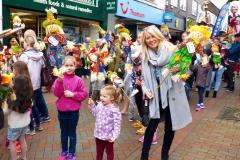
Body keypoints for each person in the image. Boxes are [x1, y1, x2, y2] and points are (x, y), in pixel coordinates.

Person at [140, 25, 192, 160]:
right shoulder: (145, 56)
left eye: (152, 36)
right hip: (156, 96)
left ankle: (165, 154)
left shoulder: (171, 49)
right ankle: (143, 156)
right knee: (151, 127)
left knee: (170, 126)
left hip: (171, 94)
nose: (151, 40)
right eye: (147, 38)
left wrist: (178, 70)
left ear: (158, 35)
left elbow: (186, 70)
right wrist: (146, 90)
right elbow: (144, 80)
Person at [52, 56, 88, 160]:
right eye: (66, 65)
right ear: (63, 66)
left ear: (75, 66)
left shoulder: (78, 80)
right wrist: (59, 81)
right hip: (62, 111)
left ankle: (71, 152)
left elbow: (84, 94)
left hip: (73, 112)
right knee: (63, 133)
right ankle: (64, 151)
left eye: (71, 65)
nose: (69, 68)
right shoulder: (60, 79)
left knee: (72, 133)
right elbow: (56, 93)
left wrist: (73, 94)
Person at [18, 33, 49, 133]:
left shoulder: (24, 56)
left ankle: (31, 127)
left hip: (27, 84)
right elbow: (43, 67)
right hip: (37, 83)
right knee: (33, 104)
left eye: (23, 43)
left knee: (29, 105)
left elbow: (18, 69)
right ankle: (38, 125)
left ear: (27, 44)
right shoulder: (40, 55)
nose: (23, 44)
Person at [88, 85, 121, 160]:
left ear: (112, 98)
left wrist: (114, 136)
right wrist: (92, 105)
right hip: (98, 134)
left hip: (108, 136)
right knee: (99, 153)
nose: (101, 98)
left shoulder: (114, 109)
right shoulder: (100, 104)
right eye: (101, 95)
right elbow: (95, 114)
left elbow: (117, 124)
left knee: (109, 153)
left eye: (104, 96)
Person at [7, 73, 33, 160]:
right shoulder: (29, 97)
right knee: (22, 140)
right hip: (25, 123)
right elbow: (31, 105)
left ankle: (14, 158)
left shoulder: (12, 98)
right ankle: (24, 157)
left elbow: (6, 111)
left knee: (12, 142)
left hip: (14, 125)